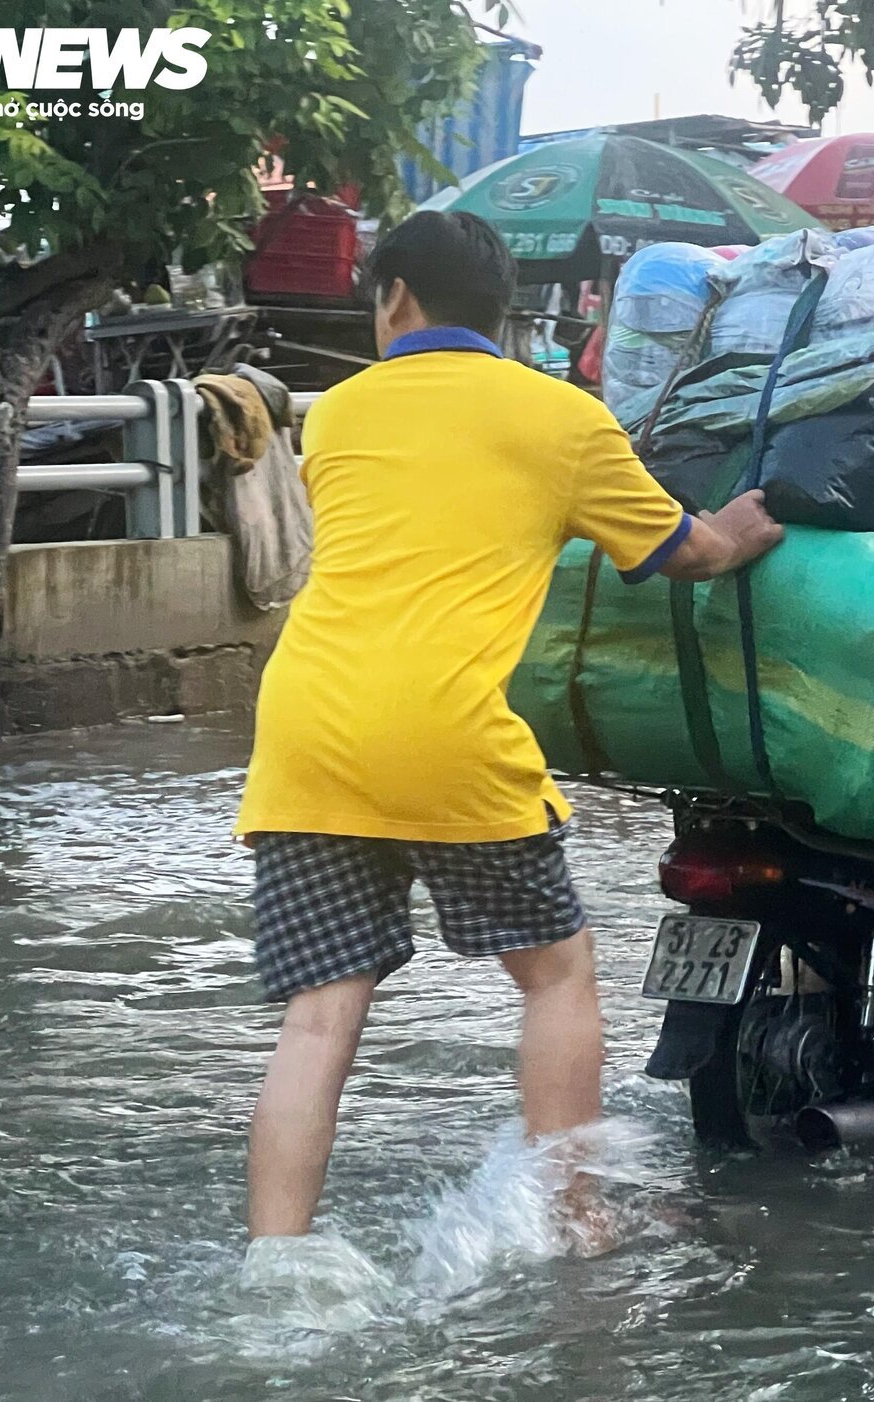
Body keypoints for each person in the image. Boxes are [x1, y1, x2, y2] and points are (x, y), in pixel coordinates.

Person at [236, 210, 783, 1243]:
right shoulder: (563, 420)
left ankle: (277, 1261)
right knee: (557, 973)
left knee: (317, 1017)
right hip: (445, 727)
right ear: (507, 311)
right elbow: (689, 552)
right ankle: (573, 1220)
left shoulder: (337, 415)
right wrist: (741, 530)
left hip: (305, 724)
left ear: (393, 297)